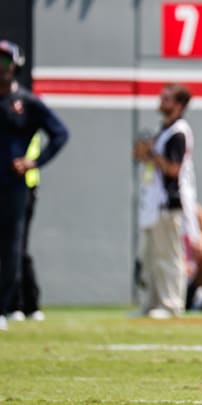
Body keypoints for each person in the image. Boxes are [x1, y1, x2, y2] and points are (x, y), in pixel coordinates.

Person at [0, 39, 69, 331]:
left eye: (4, 62)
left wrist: (34, 162)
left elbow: (60, 133)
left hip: (15, 186)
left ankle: (5, 307)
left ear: (15, 67)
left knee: (12, 247)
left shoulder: (26, 102)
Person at [133, 83, 199, 320]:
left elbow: (173, 169)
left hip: (169, 203)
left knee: (168, 256)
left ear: (179, 105)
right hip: (153, 203)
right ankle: (151, 303)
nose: (162, 101)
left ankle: (171, 304)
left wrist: (153, 153)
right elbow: (144, 159)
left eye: (167, 98)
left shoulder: (179, 132)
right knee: (150, 257)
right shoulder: (164, 129)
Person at [9, 133, 46, 321]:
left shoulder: (25, 115)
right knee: (14, 248)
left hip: (23, 186)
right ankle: (20, 304)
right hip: (13, 185)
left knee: (17, 248)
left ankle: (23, 304)